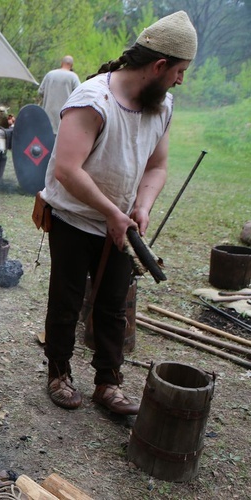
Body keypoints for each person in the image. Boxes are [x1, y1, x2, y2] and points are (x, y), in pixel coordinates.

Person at [39, 11, 197, 415]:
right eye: (179, 71)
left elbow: (157, 166)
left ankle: (108, 383)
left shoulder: (161, 107)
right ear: (159, 66)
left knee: (113, 304)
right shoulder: (93, 100)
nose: (180, 79)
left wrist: (140, 207)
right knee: (67, 299)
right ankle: (59, 373)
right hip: (74, 219)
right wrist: (112, 212)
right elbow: (66, 170)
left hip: (121, 224)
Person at [38, 55, 81, 134]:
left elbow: (40, 92)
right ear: (71, 65)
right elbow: (80, 96)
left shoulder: (49, 75)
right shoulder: (73, 77)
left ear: (61, 63)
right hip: (64, 120)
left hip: (47, 119)